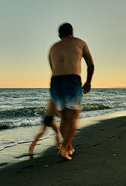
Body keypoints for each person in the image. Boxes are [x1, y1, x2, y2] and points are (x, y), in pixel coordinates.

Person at [48, 23, 94, 160]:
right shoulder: (80, 43)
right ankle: (63, 148)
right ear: (72, 33)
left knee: (64, 118)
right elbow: (91, 64)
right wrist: (88, 82)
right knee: (73, 117)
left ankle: (68, 147)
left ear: (59, 35)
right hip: (71, 79)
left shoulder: (53, 48)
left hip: (55, 82)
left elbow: (53, 68)